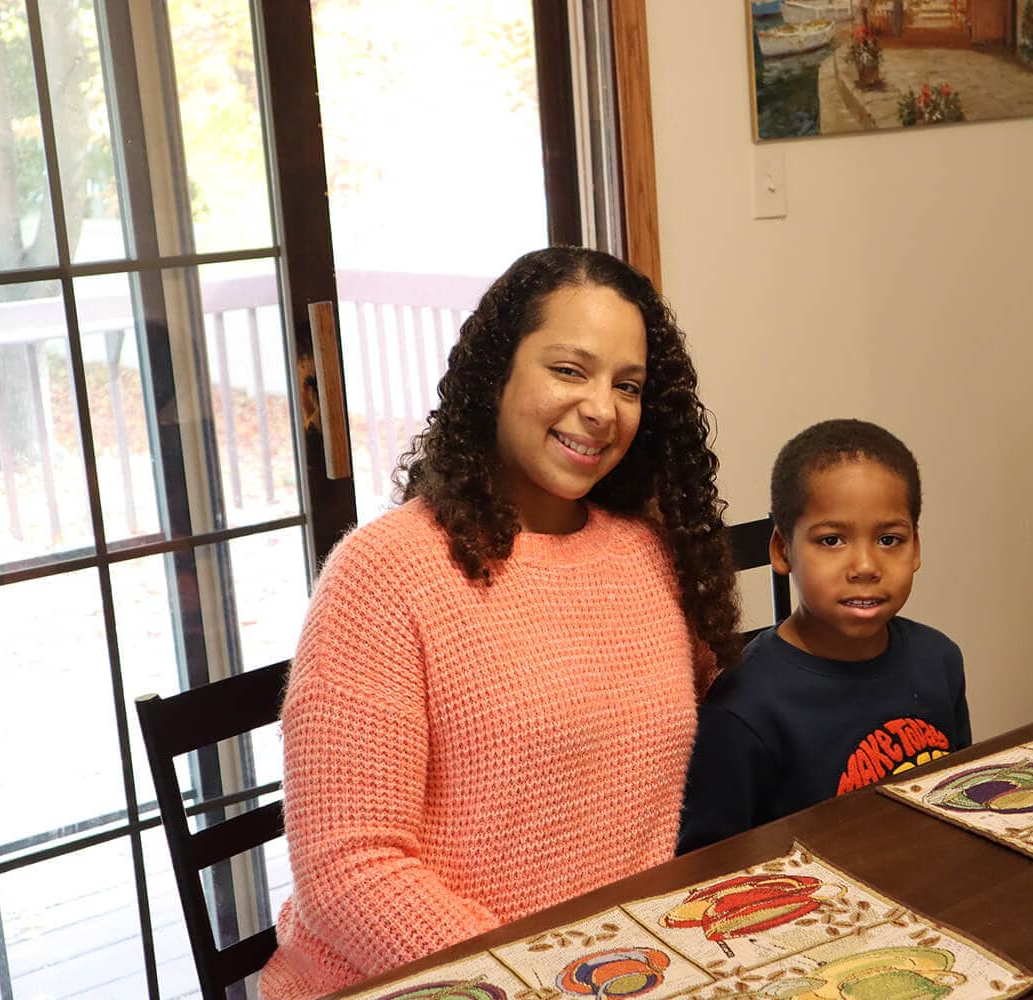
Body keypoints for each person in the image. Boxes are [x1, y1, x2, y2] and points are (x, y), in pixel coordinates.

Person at [260, 247, 740, 999]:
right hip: (420, 983)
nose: (602, 408)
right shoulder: (386, 572)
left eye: (629, 385)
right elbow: (347, 869)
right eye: (569, 370)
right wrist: (535, 978)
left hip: (612, 973)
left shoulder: (648, 554)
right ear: (497, 376)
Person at [676, 419, 970, 854]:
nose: (866, 565)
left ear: (917, 548)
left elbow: (960, 799)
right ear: (782, 550)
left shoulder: (940, 660)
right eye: (832, 540)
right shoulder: (742, 711)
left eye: (890, 539)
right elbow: (708, 867)